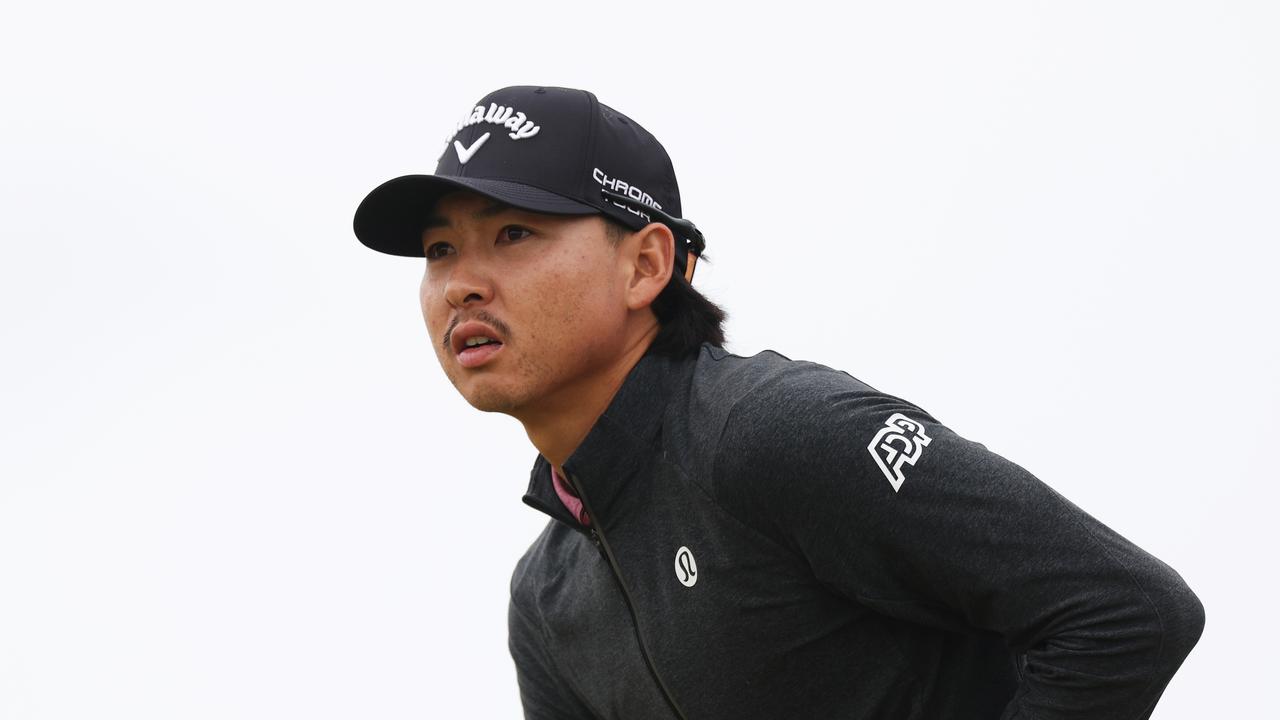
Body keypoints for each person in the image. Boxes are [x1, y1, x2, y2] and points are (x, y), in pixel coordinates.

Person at [353, 85, 1204, 719]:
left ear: (646, 265)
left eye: (512, 234)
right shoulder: (544, 598)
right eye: (439, 250)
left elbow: (1127, 613)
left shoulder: (772, 432)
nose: (462, 283)